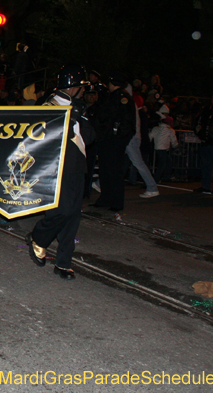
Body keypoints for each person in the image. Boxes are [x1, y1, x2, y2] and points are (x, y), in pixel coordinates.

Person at [25, 65, 95, 280]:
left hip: (77, 165)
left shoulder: (78, 105)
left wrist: (81, 117)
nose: (84, 91)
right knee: (61, 211)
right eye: (81, 87)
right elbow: (40, 136)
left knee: (73, 215)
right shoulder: (49, 105)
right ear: (73, 87)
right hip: (57, 165)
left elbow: (91, 137)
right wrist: (69, 119)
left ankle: (64, 262)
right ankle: (38, 236)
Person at [91, 72, 135, 214]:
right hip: (107, 139)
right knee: (105, 170)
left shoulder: (123, 98)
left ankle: (116, 201)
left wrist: (120, 137)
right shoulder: (111, 97)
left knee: (114, 171)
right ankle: (105, 198)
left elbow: (126, 122)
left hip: (114, 140)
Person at [124, 82, 160, 198]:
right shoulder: (131, 103)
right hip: (131, 137)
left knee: (138, 163)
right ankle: (101, 183)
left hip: (131, 138)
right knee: (120, 162)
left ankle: (152, 187)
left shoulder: (128, 103)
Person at [149, 116, 179, 183]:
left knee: (167, 161)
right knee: (163, 164)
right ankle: (157, 179)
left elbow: (150, 136)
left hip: (157, 147)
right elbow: (173, 140)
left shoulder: (156, 128)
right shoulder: (170, 130)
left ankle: (166, 176)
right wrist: (175, 145)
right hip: (164, 148)